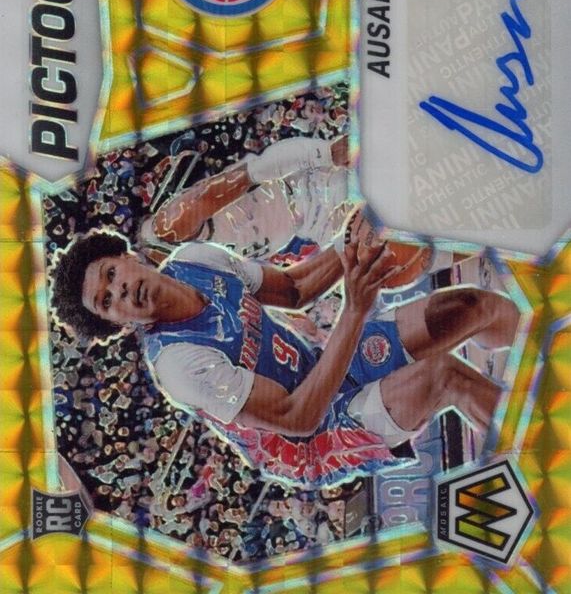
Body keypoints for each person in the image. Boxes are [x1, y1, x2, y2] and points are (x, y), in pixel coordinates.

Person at [51, 214, 519, 486]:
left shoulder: (195, 260)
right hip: (313, 442)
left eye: (111, 274)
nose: (119, 291)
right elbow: (299, 418)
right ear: (117, 324)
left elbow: (294, 289)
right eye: (105, 302)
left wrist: (356, 234)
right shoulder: (179, 363)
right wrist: (355, 309)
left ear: (129, 257)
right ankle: (541, 453)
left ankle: (542, 339)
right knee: (444, 376)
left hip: (321, 370)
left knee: (470, 306)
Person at [139, 135, 351, 261]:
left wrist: (323, 153)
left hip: (309, 186)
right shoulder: (205, 274)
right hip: (317, 226)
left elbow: (256, 170)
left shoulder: (169, 229)